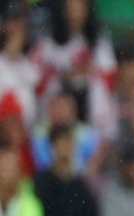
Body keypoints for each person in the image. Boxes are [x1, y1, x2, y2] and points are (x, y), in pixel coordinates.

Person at [31, 0, 117, 141]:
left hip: (88, 102)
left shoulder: (98, 42)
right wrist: (65, 74)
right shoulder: (49, 42)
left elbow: (110, 76)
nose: (75, 13)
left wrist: (90, 71)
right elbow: (38, 78)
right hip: (59, 100)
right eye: (71, 7)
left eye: (80, 7)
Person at [34, 123, 100, 216]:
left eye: (70, 141)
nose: (68, 146)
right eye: (63, 141)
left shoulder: (80, 186)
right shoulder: (40, 183)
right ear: (52, 146)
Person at [0, 148, 43, 216]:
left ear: (19, 171)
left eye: (11, 169)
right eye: (3, 168)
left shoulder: (31, 205)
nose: (6, 174)